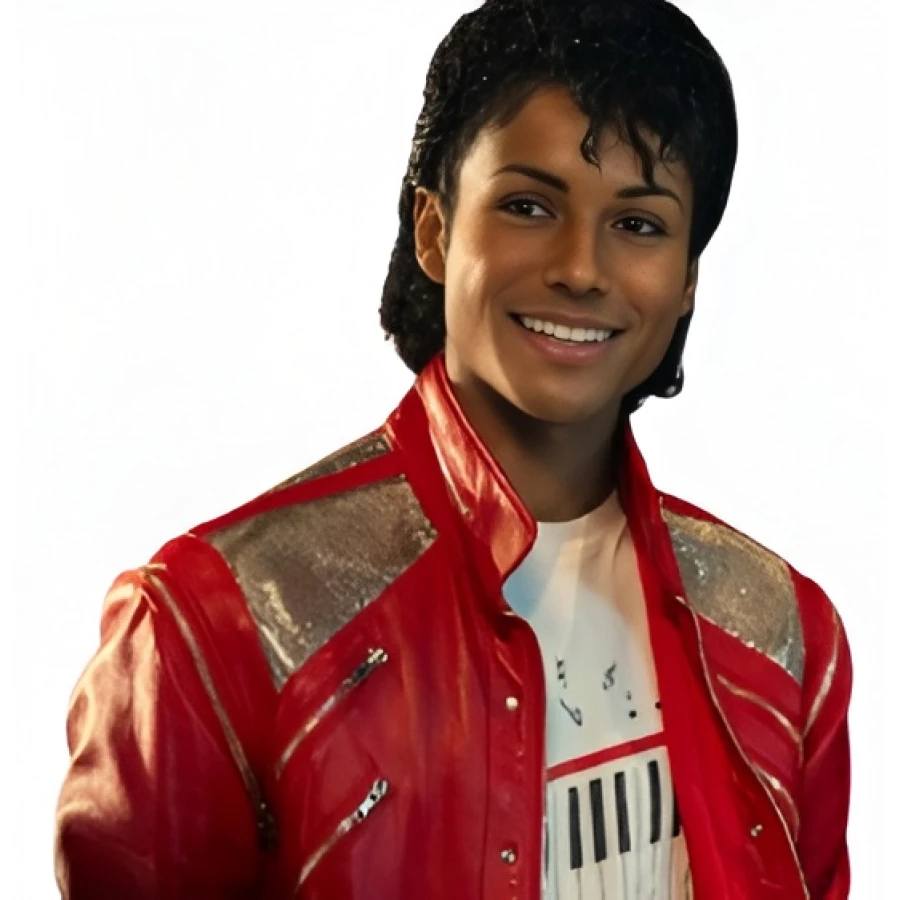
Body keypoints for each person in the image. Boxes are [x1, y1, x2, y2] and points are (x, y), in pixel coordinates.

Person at [54, 1, 852, 898]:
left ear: (688, 277)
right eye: (527, 206)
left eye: (638, 224)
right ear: (434, 230)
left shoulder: (781, 632)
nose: (581, 269)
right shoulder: (215, 625)